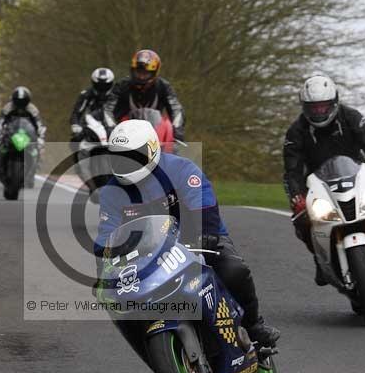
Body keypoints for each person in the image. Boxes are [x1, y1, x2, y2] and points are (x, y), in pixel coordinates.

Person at [94, 119, 280, 347]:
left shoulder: (181, 169)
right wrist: (105, 269)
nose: (127, 163)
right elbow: (107, 235)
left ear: (152, 149)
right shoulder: (111, 191)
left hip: (198, 240)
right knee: (118, 302)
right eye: (120, 157)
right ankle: (153, 352)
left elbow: (204, 206)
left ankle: (254, 325)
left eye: (134, 156)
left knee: (234, 269)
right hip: (145, 254)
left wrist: (206, 235)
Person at [282, 73, 365, 286]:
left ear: (334, 102)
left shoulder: (352, 117)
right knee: (302, 220)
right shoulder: (296, 132)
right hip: (318, 184)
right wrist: (297, 196)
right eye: (314, 108)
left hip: (358, 175)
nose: (319, 112)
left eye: (323, 106)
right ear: (305, 107)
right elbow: (291, 171)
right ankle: (319, 259)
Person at [103, 50, 185, 143]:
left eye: (145, 73)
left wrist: (177, 131)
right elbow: (108, 109)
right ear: (132, 71)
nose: (141, 77)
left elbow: (176, 109)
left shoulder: (163, 86)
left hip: (156, 134)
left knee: (175, 151)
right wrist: (110, 129)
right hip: (124, 134)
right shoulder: (122, 86)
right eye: (138, 72)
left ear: (154, 73)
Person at [0, 86, 47, 177]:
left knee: (38, 148)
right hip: (11, 133)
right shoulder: (8, 107)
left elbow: (40, 124)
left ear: (28, 100)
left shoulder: (32, 109)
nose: (20, 104)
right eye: (18, 101)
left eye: (23, 101)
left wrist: (41, 137)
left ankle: (35, 166)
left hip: (27, 135)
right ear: (13, 100)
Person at [69, 67, 115, 148]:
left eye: (105, 86)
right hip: (91, 127)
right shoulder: (86, 94)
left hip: (113, 126)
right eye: (99, 86)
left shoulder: (117, 94)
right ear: (93, 83)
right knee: (77, 144)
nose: (102, 89)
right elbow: (76, 113)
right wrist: (76, 128)